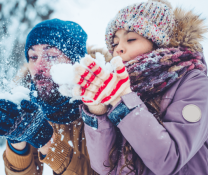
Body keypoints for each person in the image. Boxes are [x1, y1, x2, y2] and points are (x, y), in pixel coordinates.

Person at [73, 0, 208, 174]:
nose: (118, 49)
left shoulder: (194, 84)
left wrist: (124, 103)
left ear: (159, 42)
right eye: (114, 43)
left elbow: (168, 160)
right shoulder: (122, 89)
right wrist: (97, 112)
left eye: (130, 39)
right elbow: (105, 167)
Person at [0, 19, 111, 175]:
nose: (38, 67)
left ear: (75, 61)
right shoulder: (32, 106)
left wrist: (47, 142)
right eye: (33, 57)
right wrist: (17, 139)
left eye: (51, 56)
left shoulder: (107, 104)